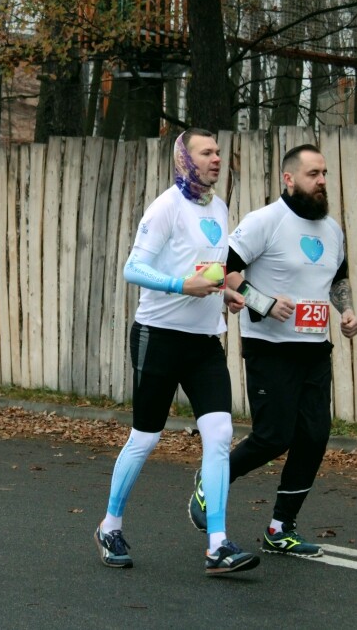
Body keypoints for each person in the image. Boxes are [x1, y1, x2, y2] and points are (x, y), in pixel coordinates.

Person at [94, 128, 259, 576]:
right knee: (146, 437)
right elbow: (133, 267)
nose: (217, 159)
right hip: (159, 336)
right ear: (185, 159)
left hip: (205, 341)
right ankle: (110, 525)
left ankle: (218, 544)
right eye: (207, 152)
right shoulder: (166, 207)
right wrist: (180, 285)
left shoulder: (220, 209)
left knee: (221, 434)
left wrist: (223, 290)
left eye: (219, 152)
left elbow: (208, 268)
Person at [188, 144, 357, 557]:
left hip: (315, 348)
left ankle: (281, 527)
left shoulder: (332, 229)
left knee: (314, 437)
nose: (321, 182)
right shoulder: (265, 221)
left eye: (324, 174)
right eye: (313, 174)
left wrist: (347, 309)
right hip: (270, 347)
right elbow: (222, 272)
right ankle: (211, 482)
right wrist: (264, 302)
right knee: (273, 436)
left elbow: (338, 279)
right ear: (289, 179)